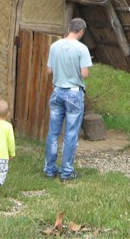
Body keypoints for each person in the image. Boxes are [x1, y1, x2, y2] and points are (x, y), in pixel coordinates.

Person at [43, 17, 92, 181]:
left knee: (53, 132)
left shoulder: (54, 46)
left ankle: (50, 169)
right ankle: (66, 172)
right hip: (73, 93)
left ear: (69, 28)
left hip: (57, 91)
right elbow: (84, 73)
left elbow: (49, 70)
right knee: (71, 133)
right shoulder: (82, 48)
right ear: (81, 31)